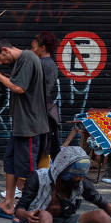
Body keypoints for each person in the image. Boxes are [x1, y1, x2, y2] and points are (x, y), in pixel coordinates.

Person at [0, 39, 49, 216]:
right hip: (20, 124)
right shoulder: (21, 62)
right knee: (11, 162)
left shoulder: (27, 59)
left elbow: (19, 88)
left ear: (5, 50)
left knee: (27, 170)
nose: (0, 62)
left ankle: (28, 210)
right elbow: (16, 83)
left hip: (30, 125)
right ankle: (8, 203)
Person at [31, 31, 61, 165]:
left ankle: (34, 179)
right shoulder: (50, 64)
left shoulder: (43, 64)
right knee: (43, 146)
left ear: (43, 48)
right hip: (44, 109)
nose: (32, 50)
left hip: (39, 110)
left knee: (38, 147)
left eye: (34, 47)